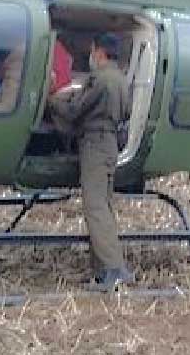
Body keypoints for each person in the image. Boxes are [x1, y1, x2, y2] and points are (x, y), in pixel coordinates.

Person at [48, 32, 133, 290]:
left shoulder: (100, 79)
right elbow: (127, 113)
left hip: (94, 144)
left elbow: (75, 111)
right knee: (104, 206)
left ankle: (113, 270)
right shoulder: (121, 79)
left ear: (99, 52)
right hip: (110, 144)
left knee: (95, 207)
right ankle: (104, 269)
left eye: (92, 50)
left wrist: (52, 100)